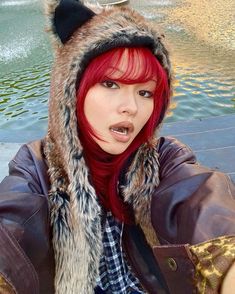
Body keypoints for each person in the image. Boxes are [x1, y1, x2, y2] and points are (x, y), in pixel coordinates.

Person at [0, 0, 235, 293]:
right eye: (110, 84)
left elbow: (205, 201)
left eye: (145, 92)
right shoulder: (37, 168)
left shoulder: (164, 158)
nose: (131, 107)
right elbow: (12, 228)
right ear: (73, 90)